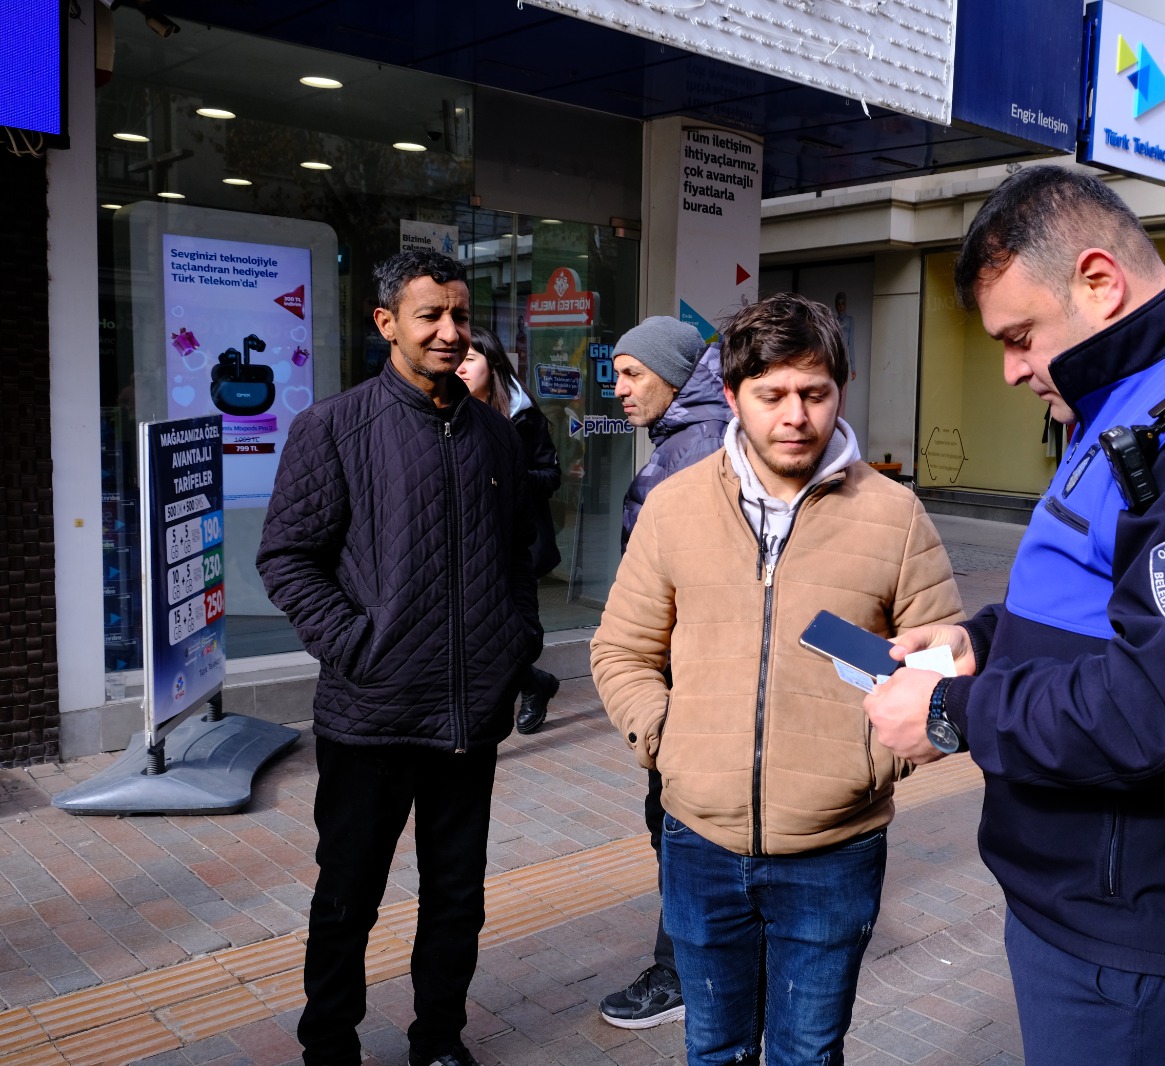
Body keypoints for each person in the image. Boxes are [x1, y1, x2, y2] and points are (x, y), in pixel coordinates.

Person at [862, 166, 1165, 1065]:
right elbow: (1103, 598)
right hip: (1103, 902)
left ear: (1099, 282)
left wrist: (950, 715)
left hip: (1159, 936)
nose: (1013, 369)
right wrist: (981, 641)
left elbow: (1162, 715)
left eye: (1020, 337)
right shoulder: (1137, 396)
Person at [590, 292, 964, 1065]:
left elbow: (939, 669)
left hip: (836, 849)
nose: (794, 415)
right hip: (698, 839)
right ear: (732, 397)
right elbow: (621, 648)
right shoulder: (675, 507)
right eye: (771, 395)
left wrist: (866, 764)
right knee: (714, 1049)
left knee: (807, 1054)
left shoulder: (895, 516)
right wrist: (668, 744)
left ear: (840, 392)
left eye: (814, 393)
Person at [257, 249, 542, 1066]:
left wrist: (515, 639)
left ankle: (439, 1040)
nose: (452, 332)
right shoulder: (334, 427)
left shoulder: (495, 432)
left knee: (456, 898)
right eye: (432, 316)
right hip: (369, 714)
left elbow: (520, 552)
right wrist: (355, 646)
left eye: (460, 314)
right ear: (387, 323)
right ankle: (329, 1044)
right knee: (348, 895)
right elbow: (286, 557)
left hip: (468, 716)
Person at [594, 316, 729, 1028]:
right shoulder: (686, 438)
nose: (618, 389)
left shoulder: (697, 447)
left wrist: (664, 700)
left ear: (674, 377)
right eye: (615, 372)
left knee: (682, 828)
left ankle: (684, 974)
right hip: (687, 679)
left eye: (632, 373)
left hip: (692, 686)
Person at [459, 327, 564, 731]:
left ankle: (533, 684)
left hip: (515, 541)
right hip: (467, 539)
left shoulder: (521, 415)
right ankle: (533, 682)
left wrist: (508, 475)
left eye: (470, 361)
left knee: (508, 631)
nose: (461, 369)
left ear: (493, 365)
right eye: (459, 361)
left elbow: (550, 475)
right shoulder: (449, 409)